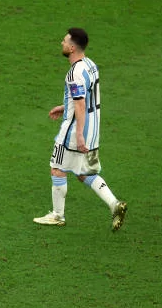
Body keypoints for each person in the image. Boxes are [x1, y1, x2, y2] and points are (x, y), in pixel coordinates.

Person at [34, 28, 128, 231]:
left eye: (64, 41)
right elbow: (85, 97)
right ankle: (114, 204)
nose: (62, 43)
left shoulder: (74, 73)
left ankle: (57, 215)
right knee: (84, 172)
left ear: (72, 47)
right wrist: (64, 107)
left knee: (57, 168)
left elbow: (80, 103)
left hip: (74, 133)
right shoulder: (90, 65)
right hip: (92, 131)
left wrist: (78, 135)